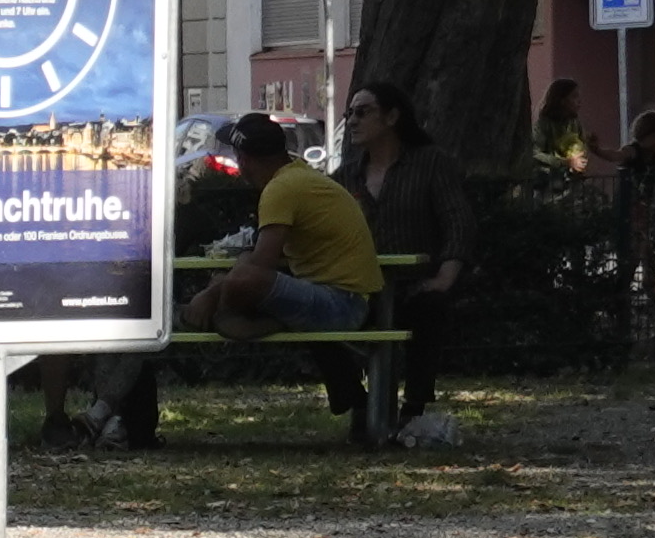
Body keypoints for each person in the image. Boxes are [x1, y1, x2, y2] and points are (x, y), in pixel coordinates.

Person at [186, 112, 384, 423]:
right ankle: (278, 321)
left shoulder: (281, 189)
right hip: (349, 298)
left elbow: (259, 268)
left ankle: (269, 321)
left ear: (244, 158)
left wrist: (210, 295)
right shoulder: (299, 177)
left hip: (342, 304)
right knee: (240, 272)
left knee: (242, 280)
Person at [340, 80, 473, 446]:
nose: (352, 120)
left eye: (363, 112)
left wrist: (445, 276)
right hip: (360, 288)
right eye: (349, 113)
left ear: (392, 117)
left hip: (414, 284)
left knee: (428, 310)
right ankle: (359, 403)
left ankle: (414, 408)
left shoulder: (430, 163)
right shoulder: (346, 174)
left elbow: (457, 219)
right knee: (317, 319)